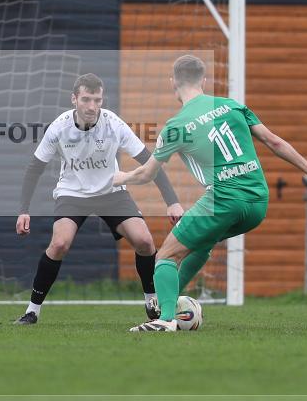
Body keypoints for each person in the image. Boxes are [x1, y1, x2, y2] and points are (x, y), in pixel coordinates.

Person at [113, 55, 307, 331]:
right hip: (256, 204)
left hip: (223, 200)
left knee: (165, 257)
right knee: (202, 243)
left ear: (173, 83)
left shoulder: (176, 127)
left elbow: (147, 173)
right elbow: (273, 141)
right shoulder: (231, 105)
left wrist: (121, 177)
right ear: (204, 81)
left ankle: (165, 320)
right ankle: (168, 304)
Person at [14, 73, 184, 324]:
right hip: (72, 193)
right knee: (60, 244)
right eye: (86, 99)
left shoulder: (114, 124)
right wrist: (23, 209)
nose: (92, 106)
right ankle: (32, 311)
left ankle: (151, 301)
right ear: (74, 99)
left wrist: (172, 200)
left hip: (111, 192)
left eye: (97, 100)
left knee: (145, 241)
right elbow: (34, 168)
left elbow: (150, 162)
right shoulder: (59, 127)